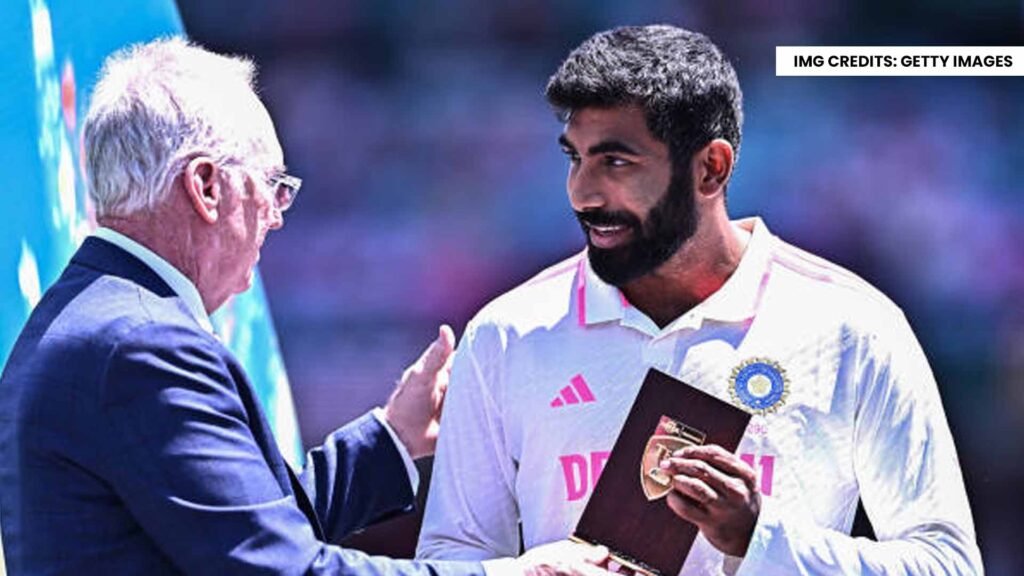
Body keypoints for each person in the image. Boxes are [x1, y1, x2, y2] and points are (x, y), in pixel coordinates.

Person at [0, 38, 611, 576]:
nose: (276, 214)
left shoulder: (93, 316)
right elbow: (280, 566)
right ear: (207, 187)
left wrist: (393, 437)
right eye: (273, 184)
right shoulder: (141, 345)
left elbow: (242, 526)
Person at [417, 25, 983, 575]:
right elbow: (450, 557)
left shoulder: (855, 326)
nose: (582, 193)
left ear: (711, 168)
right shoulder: (506, 333)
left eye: (616, 162)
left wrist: (760, 539)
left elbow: (948, 564)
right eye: (575, 158)